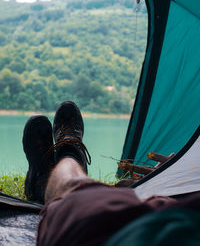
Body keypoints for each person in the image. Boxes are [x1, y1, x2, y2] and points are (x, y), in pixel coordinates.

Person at [22, 101, 200, 246]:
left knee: (75, 188)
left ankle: (58, 166)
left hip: (149, 230)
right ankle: (58, 164)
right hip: (182, 217)